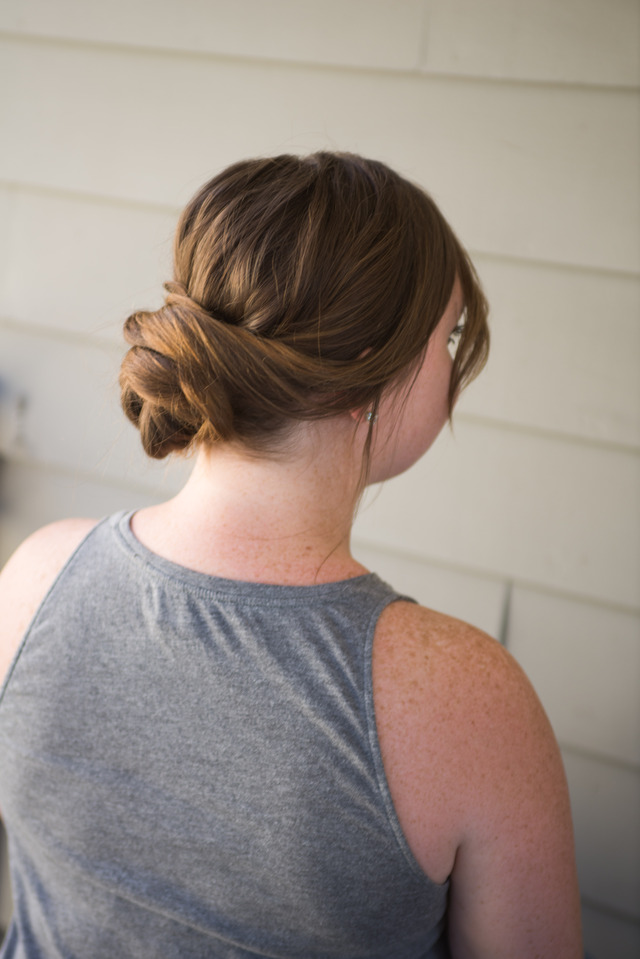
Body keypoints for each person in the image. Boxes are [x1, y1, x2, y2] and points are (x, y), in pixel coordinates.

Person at [0, 152, 583, 958]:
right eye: (446, 335)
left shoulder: (38, 575)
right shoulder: (465, 701)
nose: (454, 366)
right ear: (363, 377)